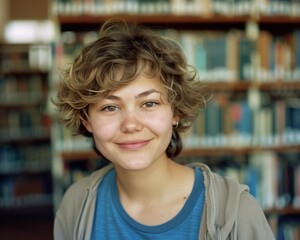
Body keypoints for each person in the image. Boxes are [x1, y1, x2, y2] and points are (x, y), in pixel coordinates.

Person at [53, 18, 275, 240]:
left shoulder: (237, 213)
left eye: (149, 103)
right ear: (86, 120)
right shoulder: (76, 205)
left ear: (175, 111)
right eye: (110, 107)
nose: (130, 124)